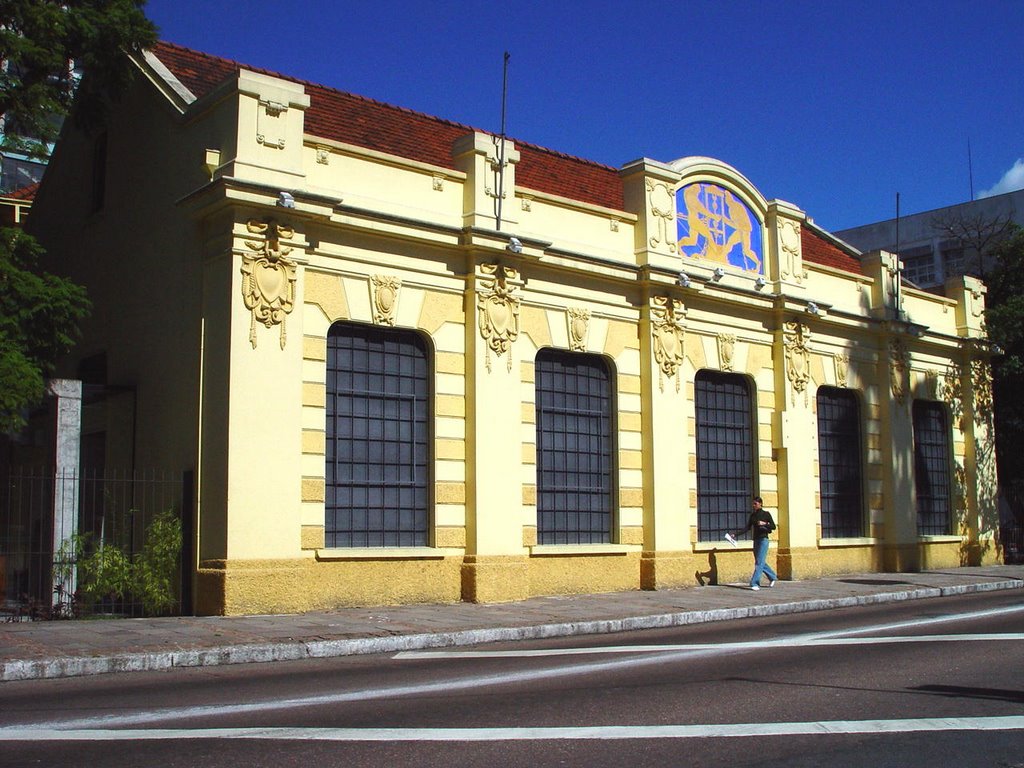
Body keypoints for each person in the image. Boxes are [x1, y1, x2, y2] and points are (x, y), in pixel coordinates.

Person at [725, 496, 778, 590]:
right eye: (753, 504)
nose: (754, 506)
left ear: (760, 504)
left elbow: (773, 527)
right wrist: (735, 535)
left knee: (759, 563)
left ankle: (754, 583)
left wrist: (764, 523)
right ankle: (773, 576)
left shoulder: (766, 514)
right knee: (760, 561)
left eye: (755, 504)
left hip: (763, 540)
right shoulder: (753, 516)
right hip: (756, 540)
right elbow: (747, 528)